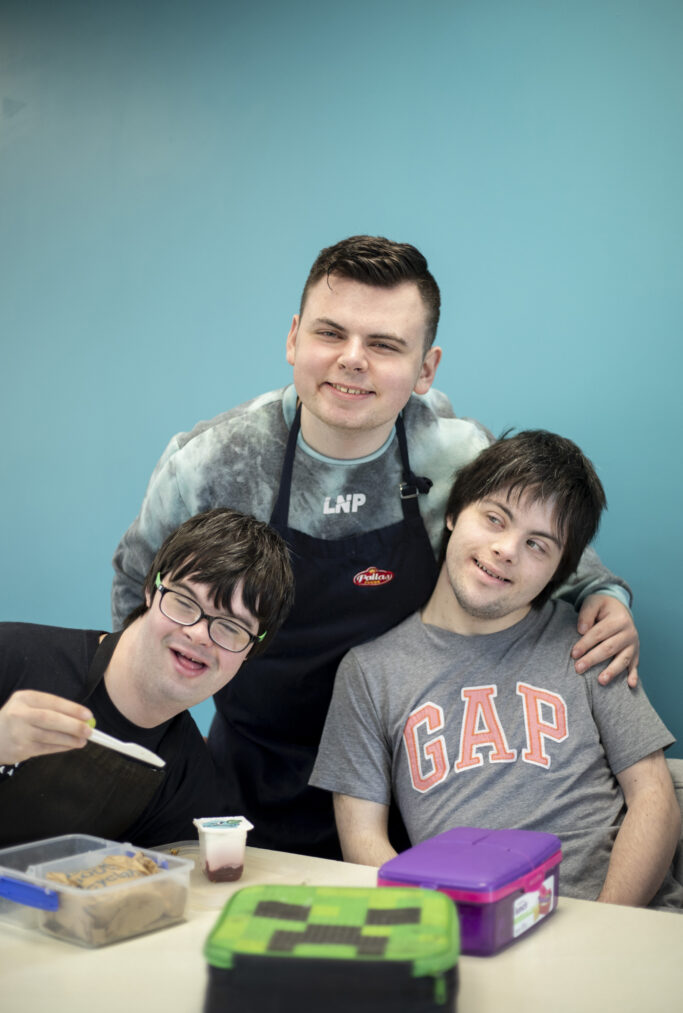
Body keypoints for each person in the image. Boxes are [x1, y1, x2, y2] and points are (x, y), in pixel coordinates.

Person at [111, 235, 639, 859]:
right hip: (253, 779)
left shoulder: (456, 454)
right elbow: (136, 605)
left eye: (385, 344)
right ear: (293, 338)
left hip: (417, 786)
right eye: (330, 334)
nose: (352, 360)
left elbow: (548, 550)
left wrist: (605, 597)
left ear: (425, 370)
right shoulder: (211, 466)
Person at [310, 432, 681, 908]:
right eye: (493, 519)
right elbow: (362, 842)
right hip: (468, 927)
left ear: (560, 571)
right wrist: (441, 926)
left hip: (620, 915)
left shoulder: (588, 641)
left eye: (538, 545)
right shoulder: (368, 673)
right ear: (451, 514)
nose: (507, 549)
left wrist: (606, 926)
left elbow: (654, 798)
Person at [0, 508, 293, 850]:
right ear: (151, 591)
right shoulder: (12, 656)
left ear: (249, 653)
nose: (199, 634)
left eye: (230, 627)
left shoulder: (189, 782)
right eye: (184, 602)